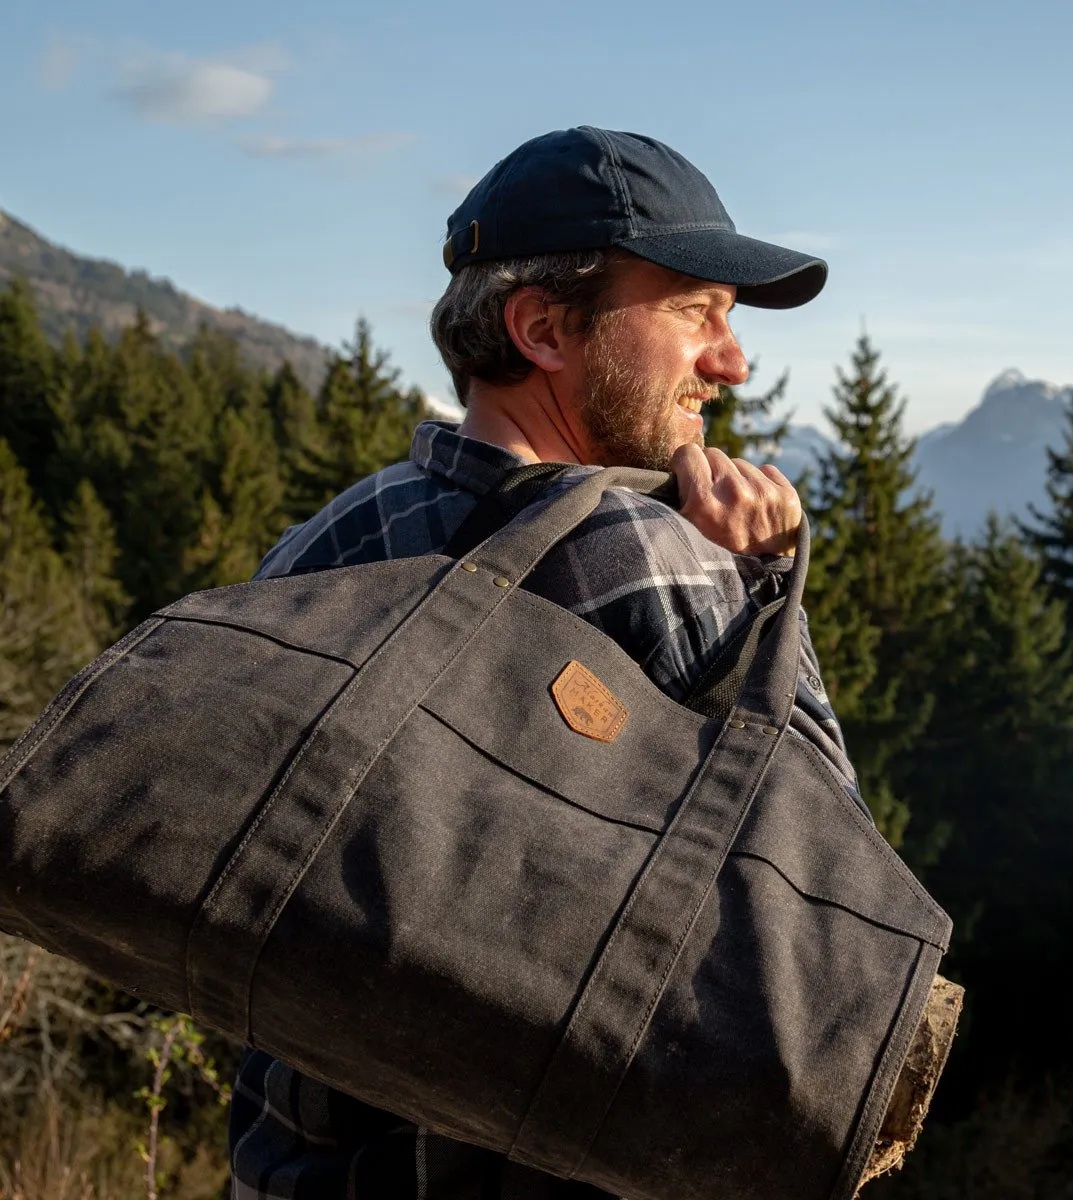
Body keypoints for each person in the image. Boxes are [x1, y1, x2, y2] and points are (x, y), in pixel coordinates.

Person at [229, 126, 856, 1200]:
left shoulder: (314, 550)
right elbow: (823, 906)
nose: (734, 361)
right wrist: (760, 591)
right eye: (694, 313)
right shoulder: (646, 561)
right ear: (543, 329)